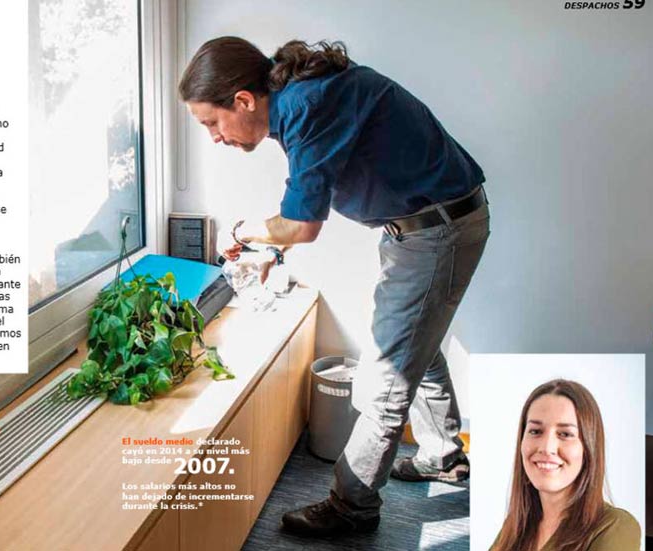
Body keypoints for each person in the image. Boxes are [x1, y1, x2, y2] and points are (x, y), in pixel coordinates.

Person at [179, 36, 490, 538]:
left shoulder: (305, 105)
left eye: (211, 123)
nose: (214, 137)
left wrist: (243, 232)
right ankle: (442, 456)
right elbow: (312, 192)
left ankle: (352, 506)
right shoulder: (297, 101)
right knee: (417, 342)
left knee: (388, 375)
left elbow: (302, 225)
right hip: (422, 225)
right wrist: (275, 251)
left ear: (243, 100)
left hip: (436, 230)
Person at [490, 379, 640, 551]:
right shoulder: (515, 527)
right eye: (536, 431)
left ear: (589, 448)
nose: (547, 448)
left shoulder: (615, 527)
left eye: (565, 434)